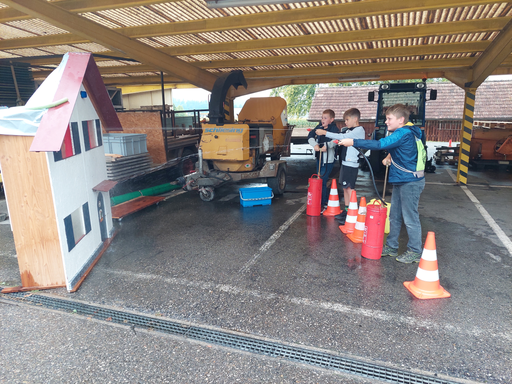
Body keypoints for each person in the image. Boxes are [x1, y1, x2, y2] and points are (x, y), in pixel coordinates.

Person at [337, 104, 426, 263]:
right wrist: (390, 157)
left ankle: (415, 251)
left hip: (410, 182)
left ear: (401, 120)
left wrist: (353, 141)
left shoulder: (403, 132)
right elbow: (401, 148)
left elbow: (380, 144)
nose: (386, 122)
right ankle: (392, 246)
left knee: (410, 217)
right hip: (402, 179)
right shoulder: (405, 133)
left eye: (389, 119)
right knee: (394, 216)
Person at [315, 108, 365, 224]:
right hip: (345, 162)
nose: (346, 122)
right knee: (345, 188)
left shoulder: (359, 130)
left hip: (351, 163)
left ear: (355, 119)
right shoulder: (348, 130)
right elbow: (339, 136)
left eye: (347, 120)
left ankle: (352, 212)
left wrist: (325, 133)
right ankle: (347, 210)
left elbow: (340, 137)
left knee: (350, 189)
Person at [308, 109, 339, 210]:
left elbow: (336, 140)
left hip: (328, 159)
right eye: (322, 118)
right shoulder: (318, 127)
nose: (323, 120)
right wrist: (315, 145)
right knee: (319, 178)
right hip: (319, 157)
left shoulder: (334, 129)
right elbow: (310, 136)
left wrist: (327, 145)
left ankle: (323, 202)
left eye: (325, 118)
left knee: (322, 179)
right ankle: (320, 201)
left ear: (331, 119)